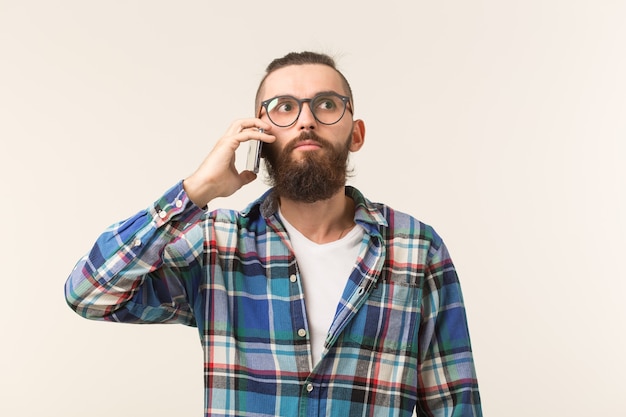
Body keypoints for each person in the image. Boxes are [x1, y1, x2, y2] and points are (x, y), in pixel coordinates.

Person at [65, 51, 482, 417]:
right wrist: (197, 190)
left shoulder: (415, 248)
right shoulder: (217, 245)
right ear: (259, 135)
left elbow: (454, 404)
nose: (306, 120)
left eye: (326, 104)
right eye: (284, 107)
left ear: (356, 134)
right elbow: (88, 293)